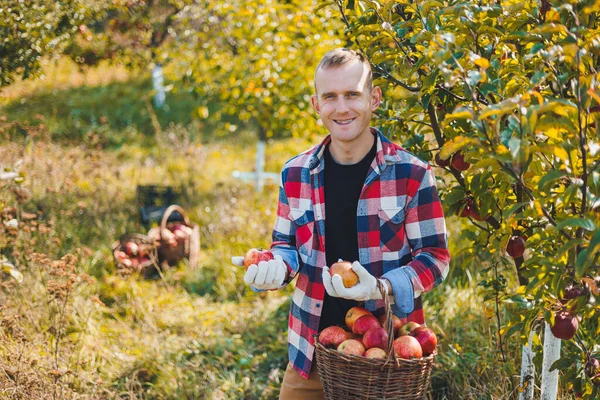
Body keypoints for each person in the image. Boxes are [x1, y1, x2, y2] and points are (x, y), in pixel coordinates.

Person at [232, 48, 450, 399]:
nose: (342, 107)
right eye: (330, 97)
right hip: (312, 349)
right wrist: (275, 267)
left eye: (352, 94)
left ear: (374, 98)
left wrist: (381, 287)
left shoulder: (412, 173)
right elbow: (286, 246)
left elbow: (435, 258)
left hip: (388, 356)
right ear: (316, 105)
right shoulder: (295, 173)